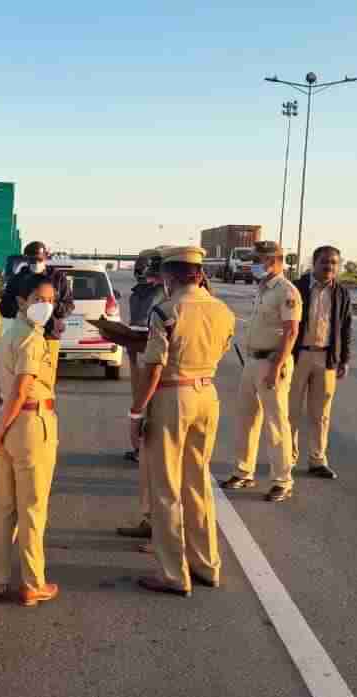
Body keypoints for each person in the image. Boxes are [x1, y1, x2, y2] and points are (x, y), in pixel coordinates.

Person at [129, 246, 235, 595]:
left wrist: (137, 411)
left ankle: (174, 574)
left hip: (173, 396)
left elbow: (154, 366)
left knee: (166, 489)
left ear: (170, 276)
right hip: (207, 394)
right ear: (199, 273)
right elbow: (221, 349)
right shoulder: (223, 311)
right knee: (198, 482)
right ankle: (206, 565)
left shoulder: (166, 310)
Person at [0, 272, 60, 607]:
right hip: (29, 422)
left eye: (51, 301)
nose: (45, 307)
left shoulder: (7, 331)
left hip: (5, 422)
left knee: (4, 505)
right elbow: (21, 389)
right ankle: (32, 583)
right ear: (21, 302)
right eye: (39, 300)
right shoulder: (30, 337)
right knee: (32, 508)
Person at [221, 240, 302, 502]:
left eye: (258, 260)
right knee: (246, 418)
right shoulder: (263, 288)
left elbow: (291, 332)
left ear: (274, 261)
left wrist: (276, 367)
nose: (254, 264)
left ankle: (282, 480)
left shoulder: (286, 291)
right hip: (252, 361)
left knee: (276, 423)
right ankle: (244, 471)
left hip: (272, 363)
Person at [115, 247, 167, 541]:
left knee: (164, 462)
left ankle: (166, 535)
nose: (143, 272)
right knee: (150, 453)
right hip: (141, 357)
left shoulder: (170, 300)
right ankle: (151, 521)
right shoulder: (140, 292)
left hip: (163, 373)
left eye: (147, 268)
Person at [290, 245, 353, 479]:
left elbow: (346, 328)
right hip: (297, 357)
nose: (329, 267)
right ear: (313, 263)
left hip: (326, 358)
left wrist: (344, 359)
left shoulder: (342, 293)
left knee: (321, 414)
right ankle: (288, 458)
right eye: (324, 262)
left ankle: (317, 460)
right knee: (290, 412)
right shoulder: (296, 288)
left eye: (334, 263)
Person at [0, 241, 75, 386]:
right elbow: (4, 308)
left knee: (46, 380)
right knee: (21, 380)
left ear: (46, 257)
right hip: (23, 337)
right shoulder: (17, 279)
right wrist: (23, 307)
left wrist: (49, 306)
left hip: (49, 336)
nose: (36, 263)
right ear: (26, 260)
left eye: (39, 259)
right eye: (32, 260)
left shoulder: (57, 278)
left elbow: (69, 305)